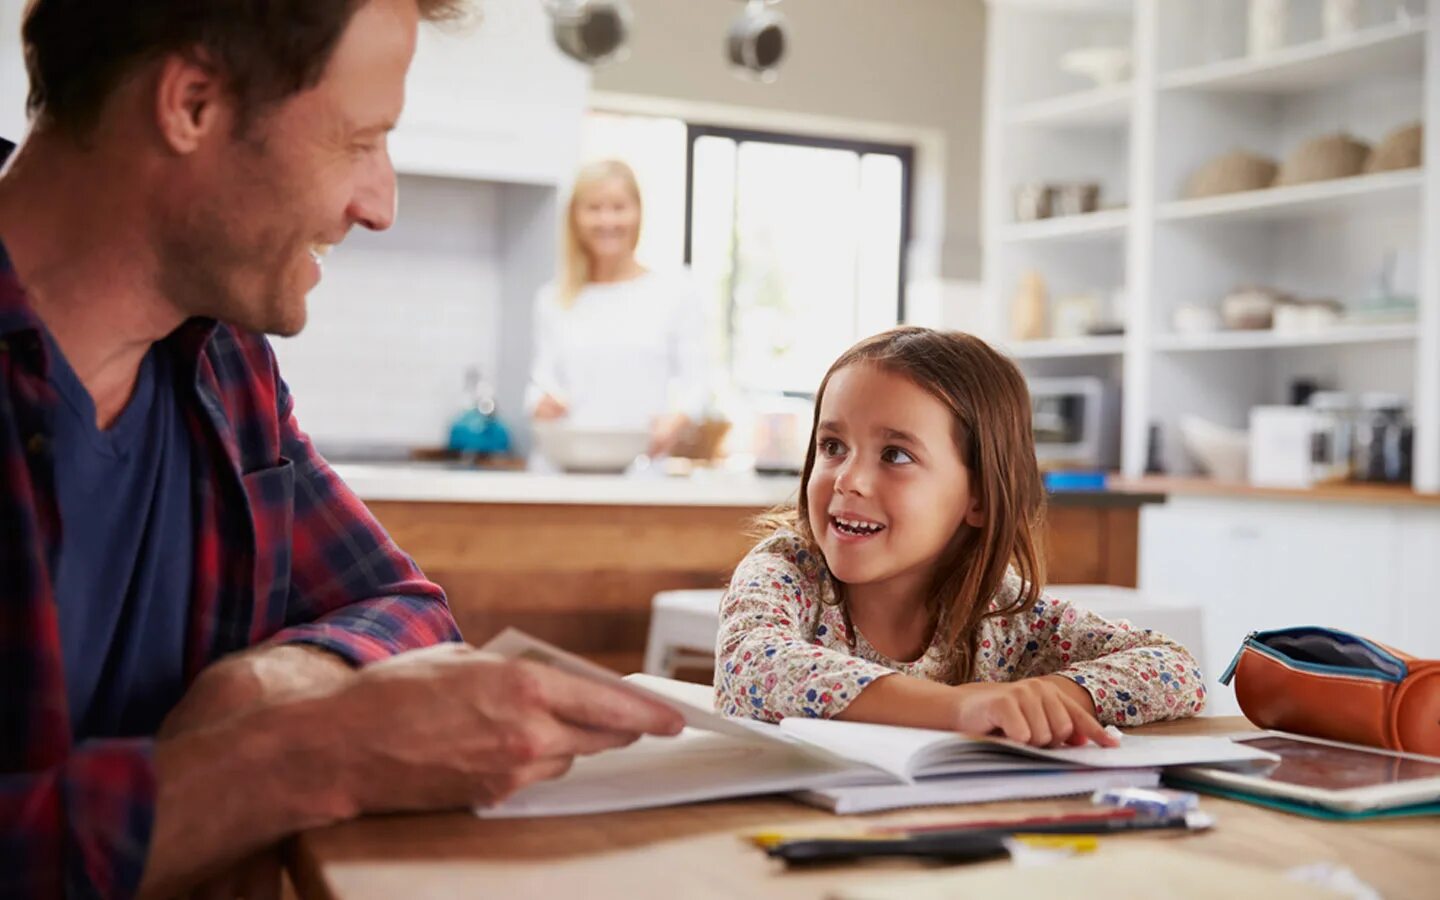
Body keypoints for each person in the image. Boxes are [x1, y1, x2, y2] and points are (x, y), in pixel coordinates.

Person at [0, 2, 683, 898]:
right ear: (193, 105)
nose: (381, 203)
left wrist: (269, 686)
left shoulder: (225, 363)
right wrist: (297, 757)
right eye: (361, 139)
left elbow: (403, 605)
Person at [714, 327, 1206, 746]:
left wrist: (1045, 701)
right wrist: (956, 709)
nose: (848, 480)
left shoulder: (1000, 608)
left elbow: (1172, 669)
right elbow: (752, 668)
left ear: (980, 498)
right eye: (833, 446)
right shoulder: (786, 572)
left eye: (895, 455)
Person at [526, 159, 707, 458]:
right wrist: (540, 403)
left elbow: (696, 386)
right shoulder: (552, 299)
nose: (607, 221)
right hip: (565, 470)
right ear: (575, 218)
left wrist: (676, 421)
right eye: (594, 208)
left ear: (638, 213)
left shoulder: (675, 292)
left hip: (641, 472)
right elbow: (540, 383)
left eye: (618, 207)